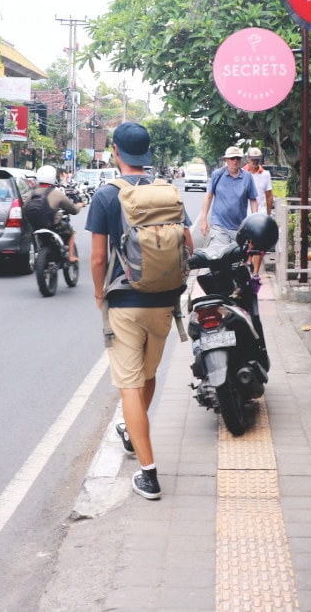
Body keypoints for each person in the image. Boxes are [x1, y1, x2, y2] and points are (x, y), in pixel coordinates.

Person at [87, 122, 193, 501]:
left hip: (125, 301)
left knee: (128, 384)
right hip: (164, 302)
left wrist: (100, 294)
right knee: (147, 375)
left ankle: (148, 474)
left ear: (116, 151)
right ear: (147, 153)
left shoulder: (105, 195)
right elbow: (188, 246)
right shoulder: (166, 192)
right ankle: (133, 432)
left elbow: (98, 257)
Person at [199, 143, 258, 247]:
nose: (235, 161)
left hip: (239, 228)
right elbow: (208, 197)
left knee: (236, 260)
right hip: (219, 226)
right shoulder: (217, 174)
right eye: (232, 158)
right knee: (220, 256)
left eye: (237, 158)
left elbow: (253, 200)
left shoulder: (247, 177)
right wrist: (203, 220)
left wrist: (255, 222)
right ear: (226, 159)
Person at [31, 164, 81, 262]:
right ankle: (71, 256)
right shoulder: (57, 193)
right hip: (51, 226)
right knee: (70, 232)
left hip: (34, 227)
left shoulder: (31, 193)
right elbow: (73, 210)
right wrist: (79, 205)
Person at [242, 147, 273, 277]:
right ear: (248, 159)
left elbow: (269, 195)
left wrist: (268, 214)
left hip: (259, 212)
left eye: (257, 159)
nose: (255, 162)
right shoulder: (242, 173)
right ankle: (247, 262)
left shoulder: (265, 174)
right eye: (252, 159)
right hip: (243, 212)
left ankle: (255, 272)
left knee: (258, 242)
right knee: (246, 242)